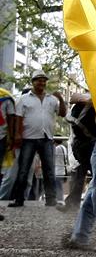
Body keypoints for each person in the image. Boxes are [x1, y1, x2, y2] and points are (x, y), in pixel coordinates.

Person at [8, 70, 66, 207]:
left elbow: (63, 114)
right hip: (28, 138)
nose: (41, 82)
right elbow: (18, 118)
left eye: (43, 80)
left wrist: (61, 99)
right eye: (38, 80)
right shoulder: (24, 99)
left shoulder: (52, 100)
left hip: (46, 138)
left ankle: (51, 200)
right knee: (24, 169)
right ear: (33, 82)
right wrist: (17, 134)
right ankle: (19, 199)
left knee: (49, 170)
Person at [60, 94, 96, 211]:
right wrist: (90, 100)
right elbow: (73, 98)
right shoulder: (87, 97)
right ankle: (72, 203)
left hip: (92, 142)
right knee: (81, 173)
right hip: (82, 143)